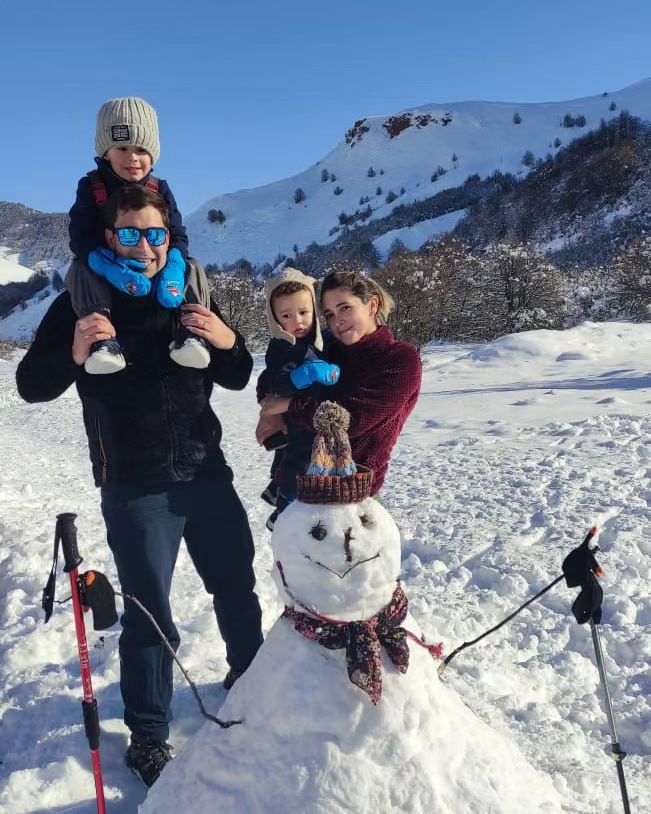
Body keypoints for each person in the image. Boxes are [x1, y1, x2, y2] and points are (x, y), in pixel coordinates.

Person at [16, 185, 263, 787]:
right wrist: (74, 351)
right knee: (151, 615)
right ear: (111, 237)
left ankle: (251, 683)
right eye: (131, 234)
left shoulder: (189, 291)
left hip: (206, 471)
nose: (146, 247)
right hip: (134, 483)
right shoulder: (81, 301)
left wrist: (228, 341)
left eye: (156, 235)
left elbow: (237, 375)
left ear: (168, 237)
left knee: (236, 588)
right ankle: (149, 737)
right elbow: (31, 386)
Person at [66, 96, 210, 374]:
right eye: (122, 148)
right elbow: (80, 236)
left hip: (155, 268)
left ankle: (191, 332)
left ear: (153, 155)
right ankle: (102, 340)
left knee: (193, 267)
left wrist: (174, 265)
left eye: (142, 150)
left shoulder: (160, 188)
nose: (133, 157)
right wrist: (107, 264)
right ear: (106, 152)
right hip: (109, 266)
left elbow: (177, 234)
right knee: (79, 269)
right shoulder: (91, 186)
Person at [257, 268, 422, 498]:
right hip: (301, 483)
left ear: (372, 306)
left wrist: (289, 405)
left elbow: (353, 419)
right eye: (329, 314)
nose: (338, 320)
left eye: (345, 308)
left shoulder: (400, 358)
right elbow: (269, 377)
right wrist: (269, 411)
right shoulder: (328, 348)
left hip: (351, 490)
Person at [256, 267, 340, 529]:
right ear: (275, 320)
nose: (298, 321)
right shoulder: (280, 349)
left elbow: (341, 374)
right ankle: (283, 513)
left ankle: (282, 498)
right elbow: (273, 383)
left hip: (322, 423)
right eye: (287, 316)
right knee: (297, 469)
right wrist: (299, 378)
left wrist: (334, 373)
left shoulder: (326, 342)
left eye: (304, 312)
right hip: (296, 426)